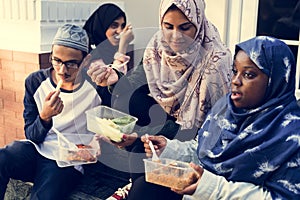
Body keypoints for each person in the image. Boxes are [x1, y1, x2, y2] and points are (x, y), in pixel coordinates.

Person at [136, 36, 300, 200]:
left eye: (249, 74)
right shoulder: (225, 109)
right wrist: (169, 149)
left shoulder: (291, 135)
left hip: (215, 194)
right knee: (146, 182)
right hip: (203, 193)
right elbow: (203, 151)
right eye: (235, 71)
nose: (235, 81)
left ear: (276, 80)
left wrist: (211, 187)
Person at [87, 0, 232, 185]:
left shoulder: (216, 61)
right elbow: (138, 80)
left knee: (144, 174)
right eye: (168, 26)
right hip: (167, 121)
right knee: (127, 101)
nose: (175, 36)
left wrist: (142, 135)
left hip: (196, 134)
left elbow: (214, 129)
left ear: (198, 23)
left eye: (185, 27)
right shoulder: (158, 44)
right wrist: (116, 79)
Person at [0, 24, 103, 200]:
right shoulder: (36, 81)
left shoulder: (95, 87)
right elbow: (32, 135)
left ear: (86, 60)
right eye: (57, 60)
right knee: (3, 156)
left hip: (68, 161)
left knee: (43, 196)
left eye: (71, 63)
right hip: (37, 149)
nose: (62, 70)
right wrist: (45, 117)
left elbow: (118, 118)